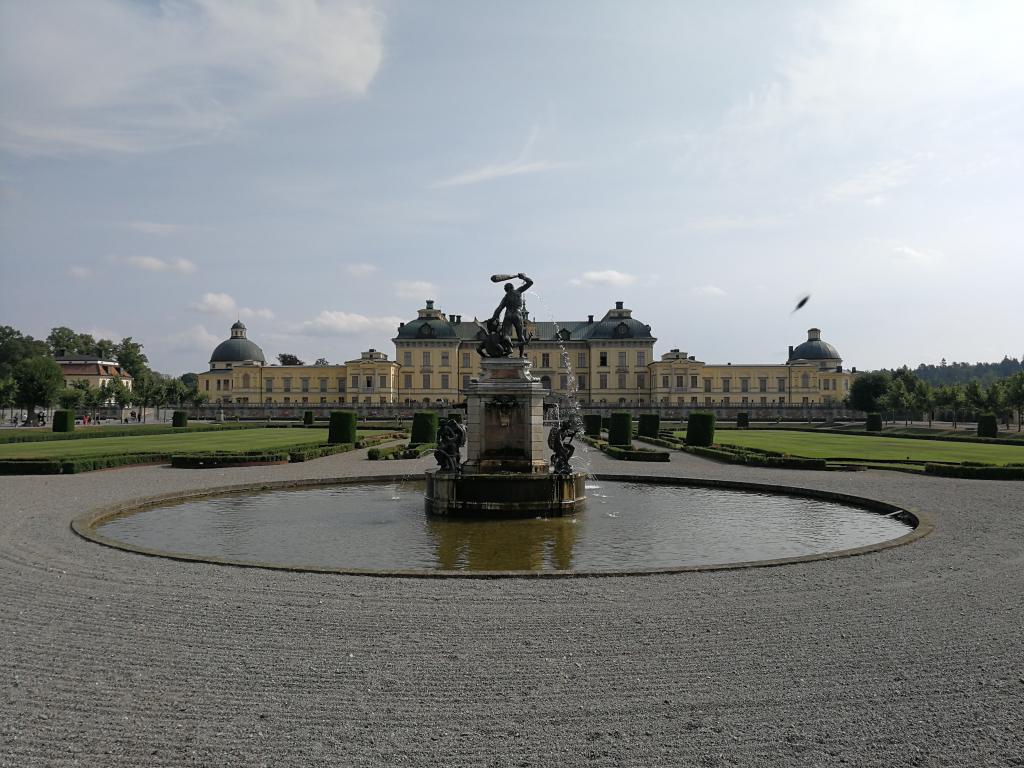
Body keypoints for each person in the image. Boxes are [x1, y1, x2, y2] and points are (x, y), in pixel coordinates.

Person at [491, 272, 533, 354]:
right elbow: (530, 282)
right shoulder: (518, 291)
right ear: (513, 287)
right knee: (520, 335)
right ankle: (521, 355)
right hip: (517, 314)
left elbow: (499, 308)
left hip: (508, 315)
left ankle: (509, 349)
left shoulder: (506, 297)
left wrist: (494, 318)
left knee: (505, 335)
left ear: (506, 290)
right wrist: (524, 277)